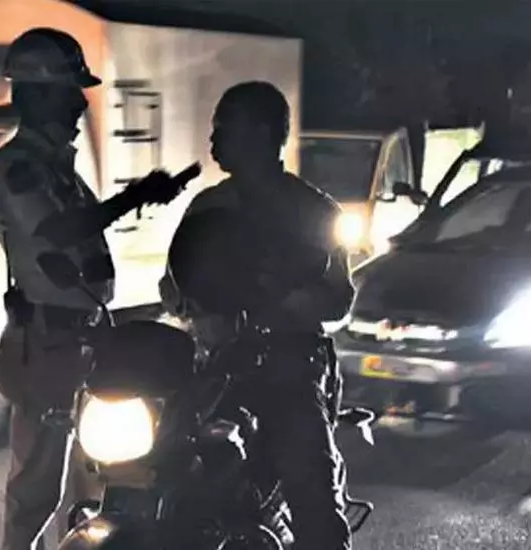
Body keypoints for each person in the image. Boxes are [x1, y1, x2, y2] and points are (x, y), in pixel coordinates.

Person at [0, 27, 189, 550]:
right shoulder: (16, 167)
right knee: (36, 490)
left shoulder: (57, 169)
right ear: (35, 95)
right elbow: (56, 231)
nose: (79, 104)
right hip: (48, 342)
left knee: (91, 485)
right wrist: (134, 197)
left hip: (81, 338)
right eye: (68, 91)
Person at [160, 81, 355, 550]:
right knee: (153, 464)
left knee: (313, 495)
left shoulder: (314, 211)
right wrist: (192, 306)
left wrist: (282, 300)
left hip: (287, 363)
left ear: (264, 132)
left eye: (225, 127)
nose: (214, 139)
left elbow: (340, 298)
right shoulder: (207, 206)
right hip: (215, 365)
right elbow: (172, 284)